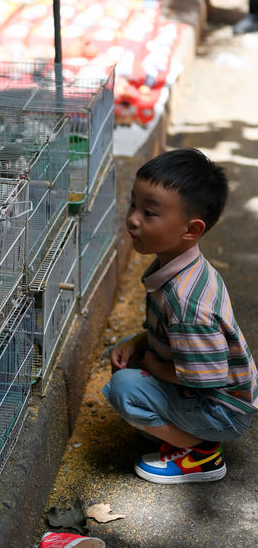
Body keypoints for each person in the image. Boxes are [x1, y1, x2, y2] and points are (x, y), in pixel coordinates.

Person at [102, 148, 257, 483]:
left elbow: (209, 378)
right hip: (215, 397)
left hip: (222, 411)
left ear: (191, 230)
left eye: (149, 213)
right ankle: (181, 430)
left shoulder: (187, 302)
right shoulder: (178, 265)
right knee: (128, 363)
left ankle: (201, 452)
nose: (132, 219)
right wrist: (139, 340)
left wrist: (151, 365)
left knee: (125, 387)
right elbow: (172, 335)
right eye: (133, 204)